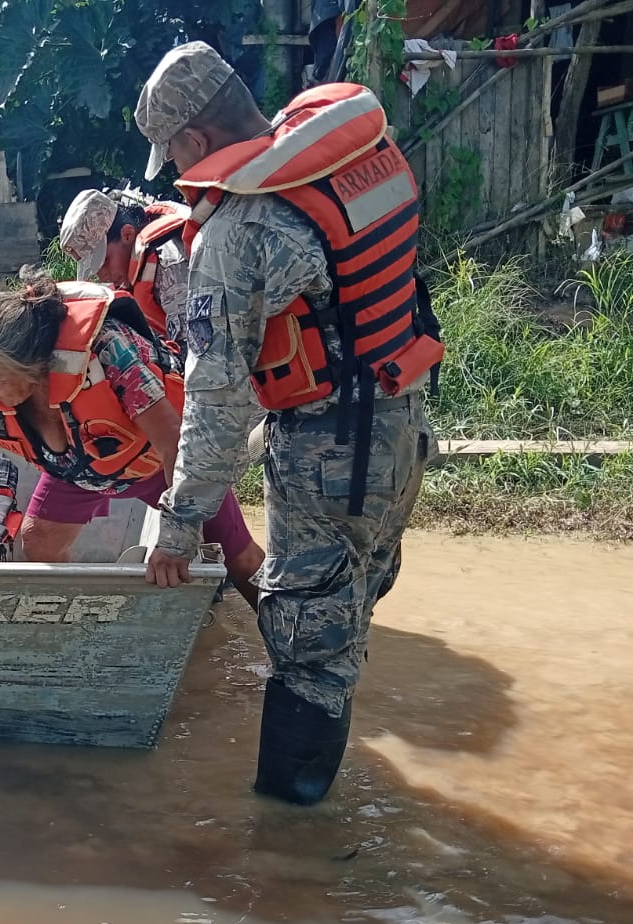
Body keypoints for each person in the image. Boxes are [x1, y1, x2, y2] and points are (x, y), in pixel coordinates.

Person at [133, 42, 438, 806]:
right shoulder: (343, 159)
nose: (175, 172)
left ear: (195, 138)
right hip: (402, 426)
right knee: (347, 605)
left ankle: (285, 847)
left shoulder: (238, 229)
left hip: (326, 455)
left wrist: (180, 524)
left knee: (306, 646)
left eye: (173, 154)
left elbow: (217, 399)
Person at [0, 273, 264, 610]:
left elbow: (174, 445)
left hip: (156, 464)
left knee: (241, 559)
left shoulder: (108, 353)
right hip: (78, 468)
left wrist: (174, 539)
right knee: (38, 541)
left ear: (28, 366)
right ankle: (78, 626)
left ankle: (284, 645)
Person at [58, 188, 191, 346]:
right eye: (95, 270)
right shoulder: (135, 267)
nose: (102, 276)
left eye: (105, 261)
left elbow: (195, 347)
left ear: (127, 234)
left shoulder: (169, 262)